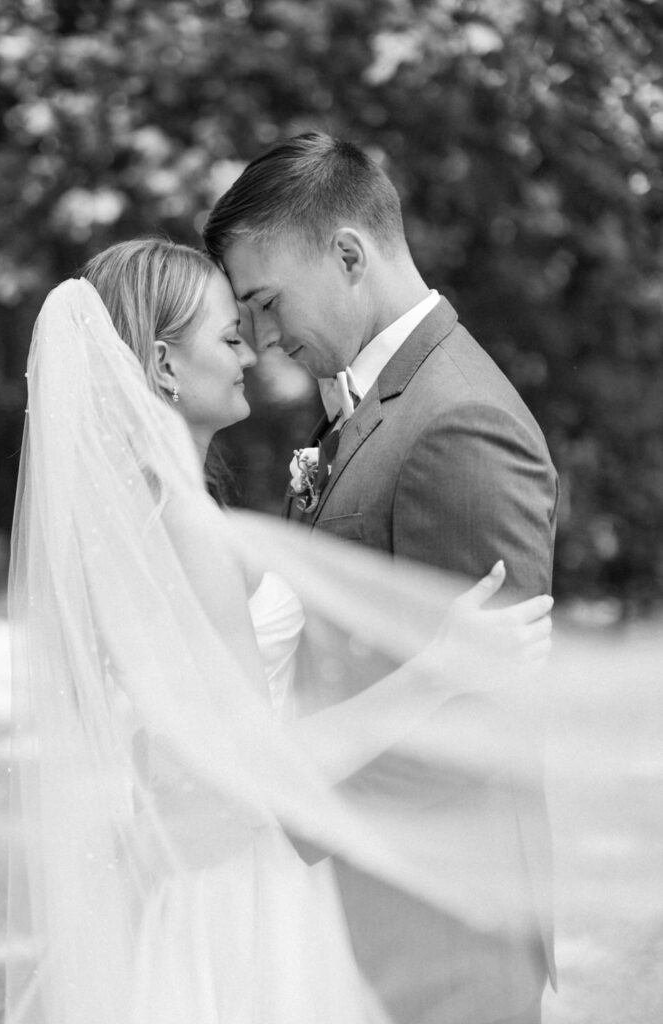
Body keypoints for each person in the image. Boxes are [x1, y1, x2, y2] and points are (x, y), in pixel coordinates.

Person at [6, 237, 553, 1024]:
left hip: (197, 887)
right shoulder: (185, 530)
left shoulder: (132, 525)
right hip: (243, 897)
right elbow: (257, 773)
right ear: (162, 368)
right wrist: (438, 666)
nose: (250, 355)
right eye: (229, 337)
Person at [203, 133, 559, 1024]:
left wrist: (273, 800)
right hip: (375, 913)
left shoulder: (460, 417)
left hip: (443, 929)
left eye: (265, 300)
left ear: (349, 254)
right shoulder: (375, 400)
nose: (261, 336)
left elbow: (478, 714)